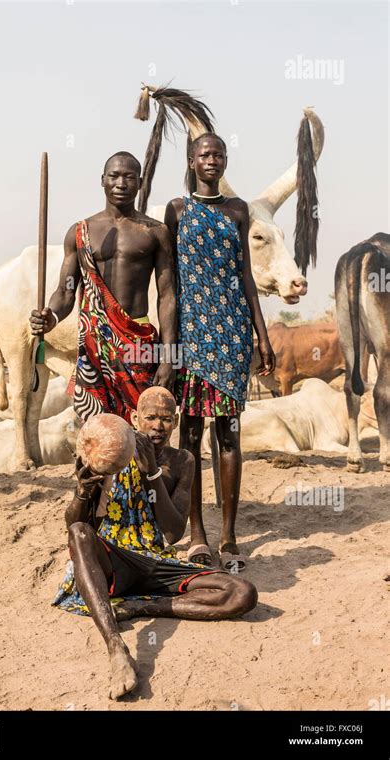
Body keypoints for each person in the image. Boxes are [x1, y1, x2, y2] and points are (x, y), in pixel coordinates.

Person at [53, 387, 257, 700]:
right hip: (117, 561)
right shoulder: (111, 451)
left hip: (157, 561)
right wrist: (83, 490)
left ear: (176, 423)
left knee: (243, 592)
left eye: (165, 419)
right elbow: (76, 527)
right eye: (149, 417)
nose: (157, 425)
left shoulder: (182, 461)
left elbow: (173, 533)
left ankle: (142, 606)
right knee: (80, 533)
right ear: (134, 418)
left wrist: (152, 476)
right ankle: (116, 649)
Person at [163, 132, 276, 570]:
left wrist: (261, 336)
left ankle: (228, 534)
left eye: (219, 154)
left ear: (225, 161)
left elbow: (246, 276)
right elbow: (169, 280)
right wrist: (169, 341)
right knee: (189, 434)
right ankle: (197, 533)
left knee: (228, 431)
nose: (213, 160)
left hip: (231, 334)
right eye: (205, 154)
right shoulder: (176, 211)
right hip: (192, 335)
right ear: (191, 160)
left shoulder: (238, 210)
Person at [29, 151, 176, 423]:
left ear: (140, 183)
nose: (121, 183)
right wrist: (51, 315)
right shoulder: (80, 231)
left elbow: (167, 296)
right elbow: (65, 291)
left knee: (142, 424)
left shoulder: (155, 232)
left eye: (129, 177)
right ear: (102, 181)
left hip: (137, 342)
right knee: (98, 429)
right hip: (95, 344)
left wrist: (168, 357)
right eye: (114, 176)